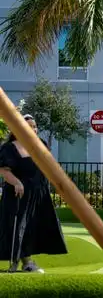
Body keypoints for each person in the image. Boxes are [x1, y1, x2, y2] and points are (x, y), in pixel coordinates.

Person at [0, 114, 68, 273]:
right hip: (18, 194)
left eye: (35, 126)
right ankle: (16, 262)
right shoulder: (9, 148)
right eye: (29, 126)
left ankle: (27, 262)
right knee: (17, 227)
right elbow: (4, 170)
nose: (34, 129)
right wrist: (16, 182)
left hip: (39, 194)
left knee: (33, 227)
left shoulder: (41, 144)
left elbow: (49, 166)